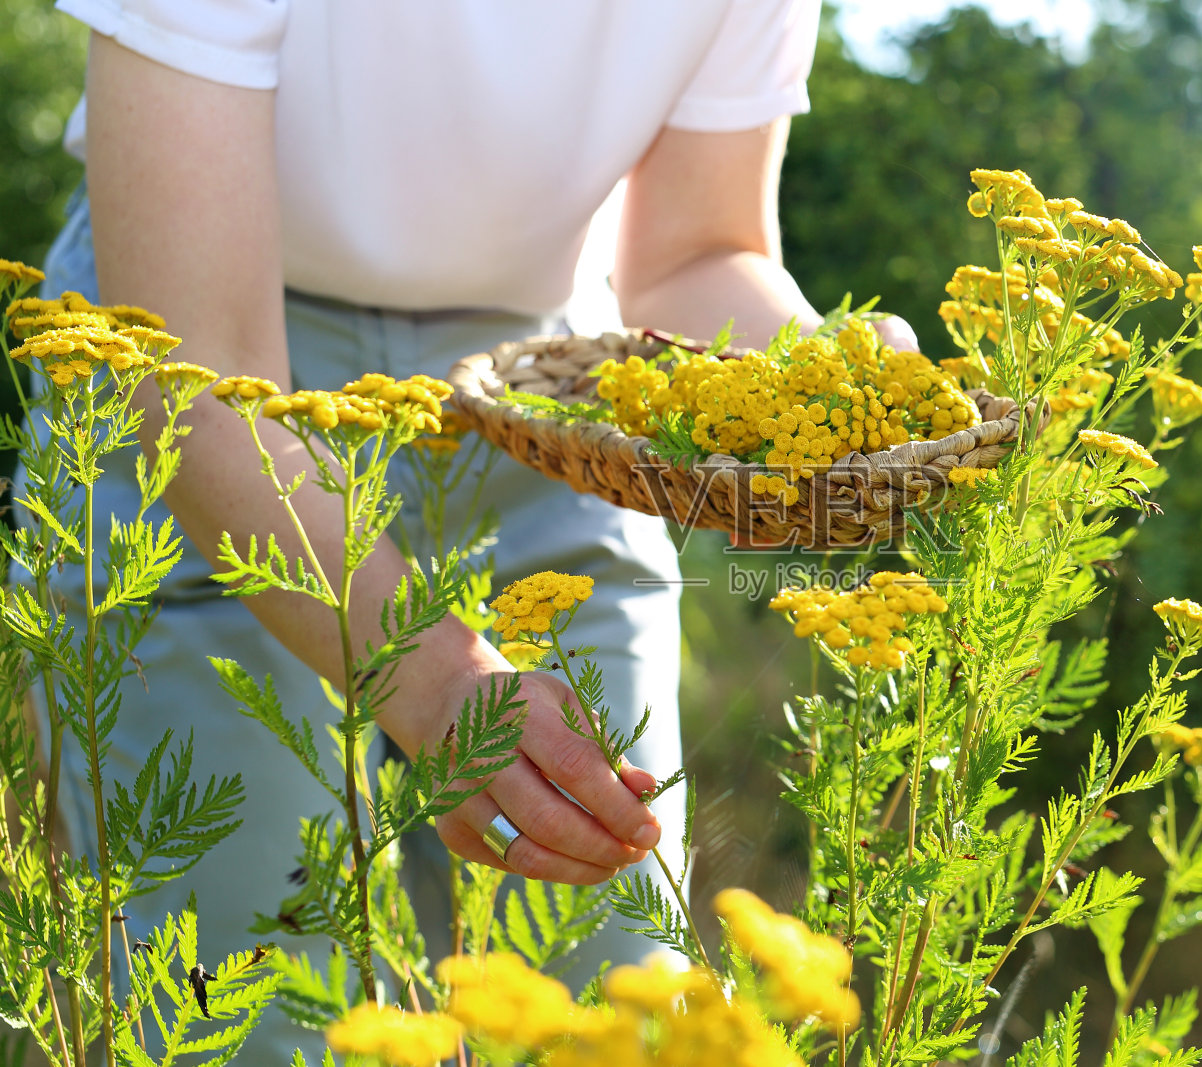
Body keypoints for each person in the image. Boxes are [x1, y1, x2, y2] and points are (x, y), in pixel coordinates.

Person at [36, 0, 911, 1059]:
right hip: (201, 362)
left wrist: (829, 376)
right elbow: (205, 370)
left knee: (618, 1008)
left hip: (540, 390)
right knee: (242, 1009)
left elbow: (693, 251)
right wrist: (441, 683)